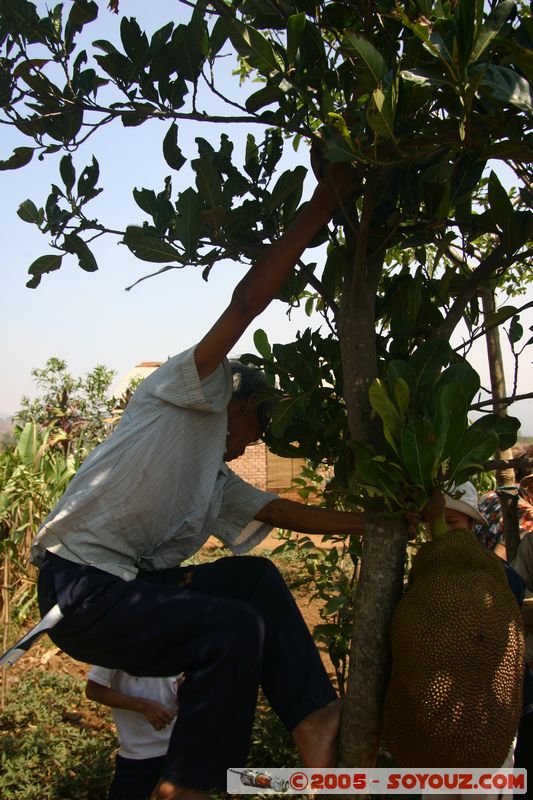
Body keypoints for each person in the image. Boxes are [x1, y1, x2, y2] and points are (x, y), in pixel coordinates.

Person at [30, 166, 365, 800]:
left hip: (131, 587)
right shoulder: (186, 393)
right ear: (236, 401)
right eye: (259, 424)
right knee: (233, 631)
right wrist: (322, 203)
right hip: (79, 584)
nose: (257, 440)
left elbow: (285, 509)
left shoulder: (212, 479)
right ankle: (185, 785)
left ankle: (313, 718)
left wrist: (378, 524)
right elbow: (246, 304)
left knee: (256, 584)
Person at [85, 667, 184, 800]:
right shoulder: (118, 647)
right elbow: (94, 690)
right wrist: (144, 706)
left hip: (174, 747)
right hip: (139, 753)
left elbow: (175, 681)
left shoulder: (170, 646)